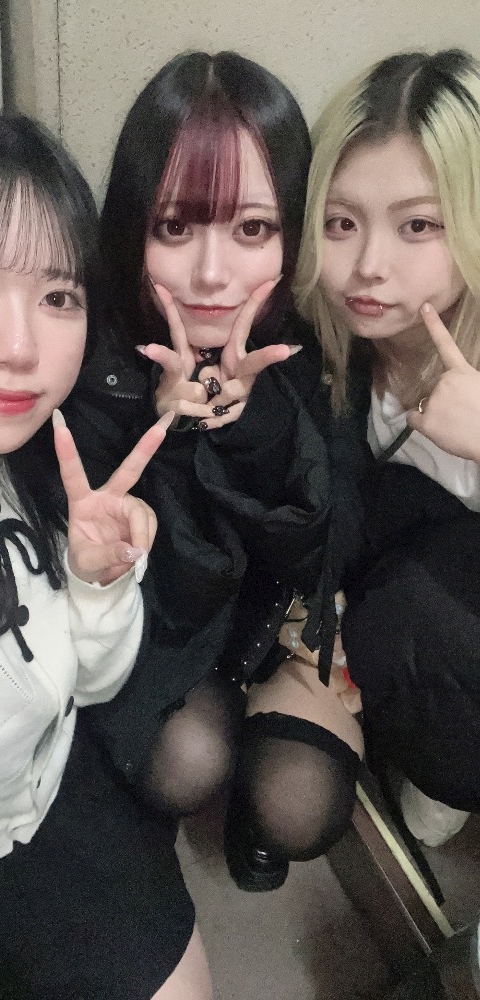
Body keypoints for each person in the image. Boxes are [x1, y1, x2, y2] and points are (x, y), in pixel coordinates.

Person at [0, 100, 213, 1000]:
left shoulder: (28, 466)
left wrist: (97, 584)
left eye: (57, 297)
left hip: (48, 800)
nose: (21, 348)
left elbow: (88, 684)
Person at [69, 50, 365, 894]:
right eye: (175, 228)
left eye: (253, 229)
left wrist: (254, 422)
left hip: (277, 627)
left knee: (300, 806)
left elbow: (325, 552)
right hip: (173, 634)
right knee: (186, 761)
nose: (211, 274)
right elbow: (148, 587)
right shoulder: (95, 348)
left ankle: (251, 789)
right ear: (133, 226)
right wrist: (166, 425)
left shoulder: (316, 337)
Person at [295, 48, 480, 851]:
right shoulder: (325, 343)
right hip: (393, 611)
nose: (368, 266)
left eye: (418, 225)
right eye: (342, 222)